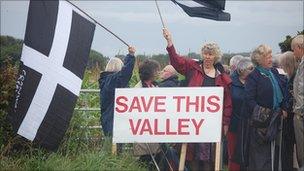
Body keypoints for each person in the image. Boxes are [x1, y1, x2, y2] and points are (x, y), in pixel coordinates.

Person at [163, 28, 232, 170]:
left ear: (216, 56)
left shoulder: (221, 76)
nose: (207, 57)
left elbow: (227, 102)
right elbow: (176, 61)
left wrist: (225, 123)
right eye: (205, 54)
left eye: (211, 54)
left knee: (208, 159)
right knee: (191, 156)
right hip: (193, 121)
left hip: (212, 123)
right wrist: (170, 42)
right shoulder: (192, 67)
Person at [241, 44, 286, 170]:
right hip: (260, 124)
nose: (271, 59)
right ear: (259, 59)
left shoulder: (274, 72)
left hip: (276, 120)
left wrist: (283, 107)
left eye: (271, 56)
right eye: (267, 57)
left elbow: (283, 91)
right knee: (260, 158)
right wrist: (263, 115)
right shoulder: (253, 77)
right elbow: (249, 100)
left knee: (273, 156)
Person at [98, 46, 136, 136]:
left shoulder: (106, 80)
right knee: (113, 146)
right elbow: (125, 73)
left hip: (108, 119)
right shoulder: (113, 80)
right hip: (114, 120)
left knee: (111, 144)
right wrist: (131, 56)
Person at [228, 58, 253, 171]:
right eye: (250, 69)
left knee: (248, 153)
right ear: (242, 70)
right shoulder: (231, 82)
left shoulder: (253, 82)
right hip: (234, 123)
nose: (253, 71)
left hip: (250, 124)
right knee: (234, 153)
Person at [280, 51, 298, 171]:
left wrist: (285, 109)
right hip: (292, 116)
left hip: (291, 117)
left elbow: (291, 98)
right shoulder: (292, 77)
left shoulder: (293, 79)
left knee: (288, 146)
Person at [291, 35, 304, 170]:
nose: (293, 52)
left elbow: (301, 90)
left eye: (294, 49)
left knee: (302, 151)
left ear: (300, 47)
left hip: (301, 114)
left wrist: (298, 111)